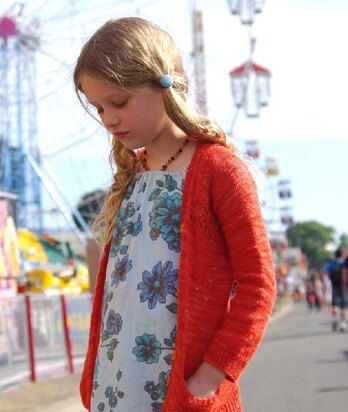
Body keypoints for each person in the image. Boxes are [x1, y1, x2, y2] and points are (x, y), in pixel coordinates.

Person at [73, 17, 276, 412]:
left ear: (163, 84)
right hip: (117, 391)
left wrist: (209, 377)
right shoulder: (129, 178)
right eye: (99, 107)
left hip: (180, 394)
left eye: (119, 102)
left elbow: (259, 286)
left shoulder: (220, 172)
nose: (108, 119)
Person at [326, 248, 347, 332]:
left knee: (334, 305)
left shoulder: (332, 263)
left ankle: (334, 319)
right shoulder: (345, 263)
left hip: (334, 286)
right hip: (345, 288)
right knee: (344, 306)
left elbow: (327, 274)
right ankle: (343, 324)